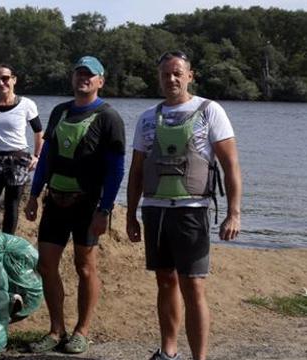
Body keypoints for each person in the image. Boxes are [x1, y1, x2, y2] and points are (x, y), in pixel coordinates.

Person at [126, 51, 242, 360]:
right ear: (159, 78)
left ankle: (199, 357)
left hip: (192, 210)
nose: (172, 79)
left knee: (193, 285)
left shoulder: (209, 111)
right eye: (166, 74)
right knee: (165, 281)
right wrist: (131, 215)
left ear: (190, 75)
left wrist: (233, 213)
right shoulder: (147, 117)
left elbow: (231, 166)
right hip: (155, 210)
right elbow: (136, 171)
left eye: (178, 73)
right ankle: (169, 352)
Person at [24, 56, 126, 354]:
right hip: (55, 201)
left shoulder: (109, 117)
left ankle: (82, 331)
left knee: (85, 267)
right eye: (79, 73)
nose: (84, 78)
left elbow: (116, 170)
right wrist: (33, 195)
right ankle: (56, 330)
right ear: (72, 78)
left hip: (87, 204)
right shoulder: (60, 111)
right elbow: (46, 157)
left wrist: (104, 210)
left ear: (100, 81)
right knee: (46, 265)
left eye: (89, 75)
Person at [0, 63, 43, 235]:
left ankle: (7, 242)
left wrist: (37, 156)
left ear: (14, 80)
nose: (1, 83)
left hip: (18, 160)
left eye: (5, 78)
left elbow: (39, 132)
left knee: (11, 206)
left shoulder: (26, 104)